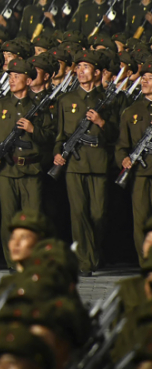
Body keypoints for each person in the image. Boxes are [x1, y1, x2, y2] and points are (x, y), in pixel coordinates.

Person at [0, 58, 55, 269]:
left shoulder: (39, 106)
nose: (12, 80)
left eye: (17, 76)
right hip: (7, 170)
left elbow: (51, 137)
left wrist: (34, 130)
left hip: (32, 169)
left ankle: (32, 260)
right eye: (10, 76)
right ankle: (13, 262)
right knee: (9, 219)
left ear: (29, 80)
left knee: (33, 219)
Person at [53, 51, 118, 276]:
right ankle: (84, 261)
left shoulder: (107, 99)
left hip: (99, 162)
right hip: (74, 164)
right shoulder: (66, 100)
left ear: (97, 72)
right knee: (78, 213)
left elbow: (116, 135)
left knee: (98, 214)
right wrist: (57, 154)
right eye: (78, 67)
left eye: (86, 67)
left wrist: (101, 122)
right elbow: (60, 134)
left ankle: (93, 251)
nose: (81, 71)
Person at [116, 62, 152, 262]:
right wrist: (124, 158)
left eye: (150, 78)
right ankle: (146, 262)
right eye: (143, 77)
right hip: (139, 173)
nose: (144, 81)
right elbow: (122, 144)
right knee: (141, 220)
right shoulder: (131, 111)